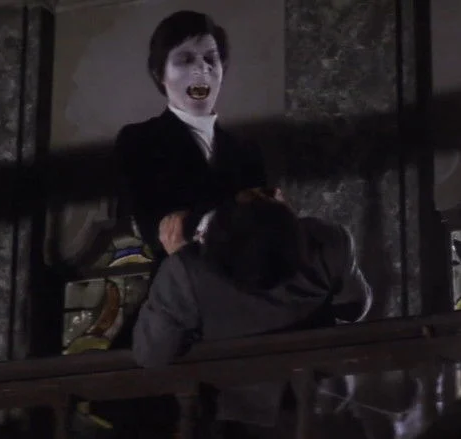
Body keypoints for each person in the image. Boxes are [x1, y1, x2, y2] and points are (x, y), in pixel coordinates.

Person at [133, 187, 373, 438]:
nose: (277, 193)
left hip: (239, 419)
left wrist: (182, 263)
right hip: (324, 403)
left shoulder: (187, 272)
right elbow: (354, 309)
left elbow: (151, 353)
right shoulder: (327, 240)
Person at [115, 10, 267, 266]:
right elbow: (154, 226)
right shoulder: (139, 139)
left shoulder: (246, 150)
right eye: (185, 59)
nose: (202, 68)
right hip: (179, 282)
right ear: (159, 73)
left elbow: (264, 228)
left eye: (211, 58)